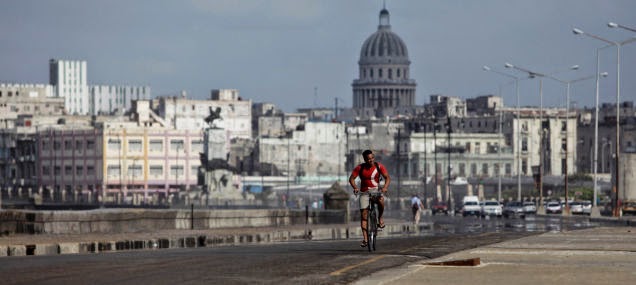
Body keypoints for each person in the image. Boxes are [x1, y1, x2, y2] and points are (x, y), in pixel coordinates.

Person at [349, 149, 391, 248]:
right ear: (364, 159)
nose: (371, 160)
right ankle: (365, 239)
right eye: (368, 159)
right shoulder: (360, 168)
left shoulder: (379, 166)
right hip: (364, 192)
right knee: (364, 214)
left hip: (376, 191)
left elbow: (387, 177)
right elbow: (351, 178)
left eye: (372, 158)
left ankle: (380, 218)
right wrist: (355, 187)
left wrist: (385, 187)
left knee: (381, 200)